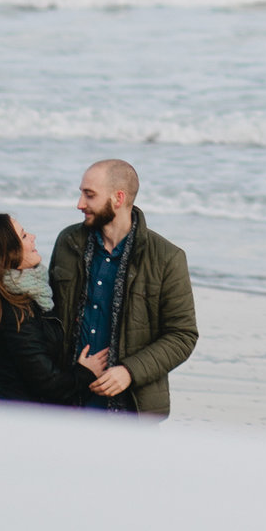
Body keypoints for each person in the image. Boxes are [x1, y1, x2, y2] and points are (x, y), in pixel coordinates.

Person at [49, 158, 198, 417]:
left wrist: (130, 372)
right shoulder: (68, 242)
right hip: (65, 404)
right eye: (81, 193)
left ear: (118, 198)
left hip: (131, 411)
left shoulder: (167, 257)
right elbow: (48, 316)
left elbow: (182, 335)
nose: (80, 204)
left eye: (89, 195)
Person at [0, 212, 103, 406]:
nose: (33, 237)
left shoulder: (11, 295)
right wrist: (86, 372)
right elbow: (47, 383)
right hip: (19, 421)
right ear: (7, 253)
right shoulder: (14, 311)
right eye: (24, 236)